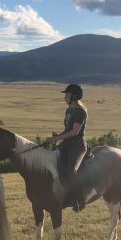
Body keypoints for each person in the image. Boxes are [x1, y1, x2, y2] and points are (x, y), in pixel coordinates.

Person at [45, 84, 88, 212]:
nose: (65, 97)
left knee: (71, 171)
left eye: (67, 95)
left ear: (74, 96)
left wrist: (55, 139)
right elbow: (67, 129)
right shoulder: (69, 110)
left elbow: (75, 132)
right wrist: (58, 136)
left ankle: (80, 200)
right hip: (66, 143)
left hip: (77, 145)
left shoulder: (81, 111)